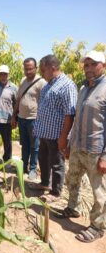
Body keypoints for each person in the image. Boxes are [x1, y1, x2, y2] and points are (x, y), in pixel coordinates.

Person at [56, 50, 106, 243]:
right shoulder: (83, 89)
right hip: (78, 145)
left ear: (103, 65)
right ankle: (72, 207)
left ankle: (97, 226)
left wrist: (105, 157)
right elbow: (77, 120)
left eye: (93, 64)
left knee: (99, 191)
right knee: (72, 179)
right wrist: (69, 143)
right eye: (86, 65)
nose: (89, 68)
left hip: (95, 149)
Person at [33, 54, 78, 200]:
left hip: (56, 135)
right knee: (43, 160)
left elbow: (69, 114)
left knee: (57, 164)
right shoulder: (48, 84)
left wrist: (64, 137)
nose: (41, 73)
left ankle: (56, 192)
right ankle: (45, 183)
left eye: (43, 70)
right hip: (44, 132)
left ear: (53, 68)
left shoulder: (67, 85)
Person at [11, 58, 46, 177]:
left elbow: (45, 103)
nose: (28, 71)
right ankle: (23, 166)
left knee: (34, 145)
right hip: (21, 118)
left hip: (34, 119)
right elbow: (19, 99)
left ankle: (33, 169)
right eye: (26, 69)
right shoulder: (23, 80)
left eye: (30, 69)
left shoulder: (42, 83)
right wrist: (14, 115)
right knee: (24, 144)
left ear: (36, 68)